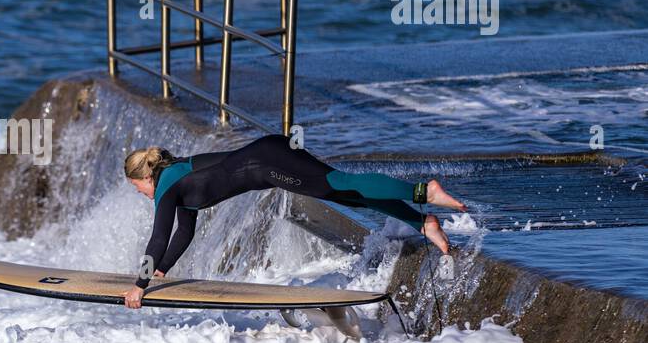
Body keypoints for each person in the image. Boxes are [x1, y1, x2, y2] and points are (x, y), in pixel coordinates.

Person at [121, 134, 467, 308]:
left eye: (136, 188)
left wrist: (140, 285)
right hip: (271, 152)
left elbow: (157, 239)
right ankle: (422, 222)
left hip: (271, 163)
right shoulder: (176, 177)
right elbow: (184, 232)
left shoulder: (167, 188)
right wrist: (162, 269)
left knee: (340, 184)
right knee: (341, 192)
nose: (139, 194)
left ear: (146, 177)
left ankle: (424, 191)